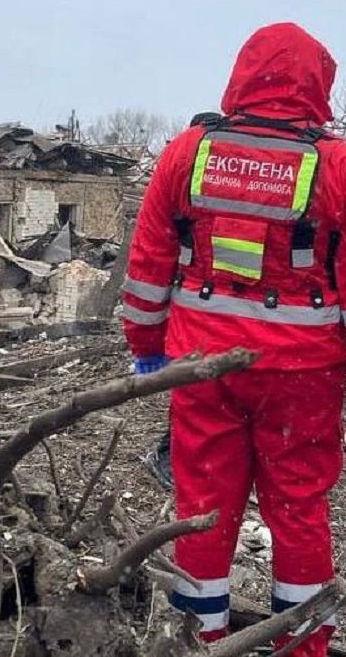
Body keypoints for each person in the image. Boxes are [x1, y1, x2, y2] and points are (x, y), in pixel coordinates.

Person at [121, 23, 346, 654]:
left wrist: (146, 342)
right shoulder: (343, 167)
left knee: (201, 506)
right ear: (317, 82)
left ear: (243, 73)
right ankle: (301, 647)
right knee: (299, 510)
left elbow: (148, 261)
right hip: (301, 375)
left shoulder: (187, 152)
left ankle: (198, 640)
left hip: (200, 365)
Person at [142, 110, 229, 491]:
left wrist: (146, 339)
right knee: (200, 393)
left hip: (194, 304)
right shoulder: (220, 175)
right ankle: (175, 455)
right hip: (213, 305)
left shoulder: (188, 171)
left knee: (194, 393)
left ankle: (178, 456)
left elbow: (154, 254)